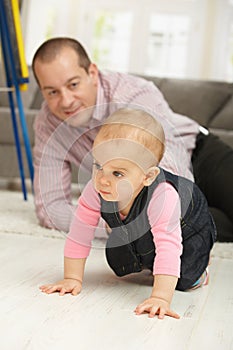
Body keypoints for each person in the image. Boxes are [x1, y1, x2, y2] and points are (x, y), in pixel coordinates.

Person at [32, 37, 233, 238]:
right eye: (52, 92)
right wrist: (113, 223)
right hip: (143, 195)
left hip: (198, 155)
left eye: (73, 84)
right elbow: (50, 208)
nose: (66, 101)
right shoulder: (48, 125)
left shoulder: (131, 95)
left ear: (92, 73)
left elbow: (170, 165)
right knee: (175, 227)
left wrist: (140, 216)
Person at [40, 108, 216, 319]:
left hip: (189, 225)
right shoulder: (96, 189)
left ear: (148, 176)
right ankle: (152, 263)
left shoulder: (163, 196)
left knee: (185, 277)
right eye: (98, 166)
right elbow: (79, 233)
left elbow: (168, 246)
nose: (103, 179)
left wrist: (160, 298)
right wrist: (72, 278)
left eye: (117, 173)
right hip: (141, 226)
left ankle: (201, 266)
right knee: (120, 260)